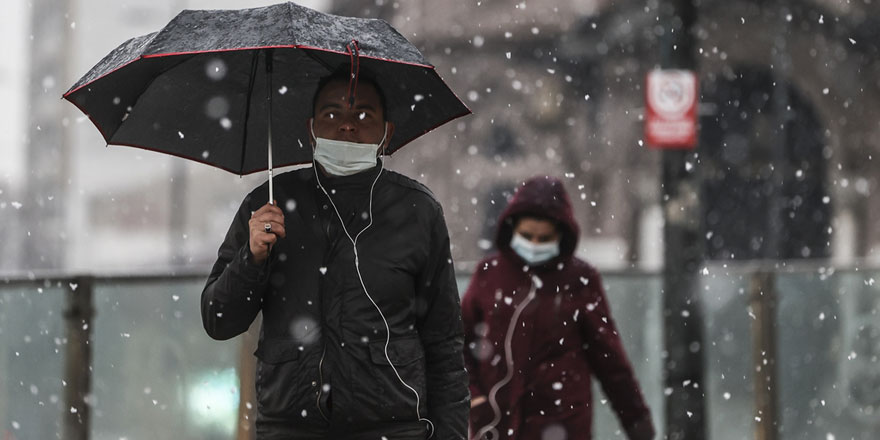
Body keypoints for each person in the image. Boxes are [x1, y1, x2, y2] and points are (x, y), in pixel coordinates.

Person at [201, 69, 469, 439]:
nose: (346, 126)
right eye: (331, 114)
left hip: (394, 428)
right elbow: (218, 320)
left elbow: (444, 342)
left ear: (386, 133)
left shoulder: (417, 211)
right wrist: (252, 257)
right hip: (290, 428)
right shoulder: (268, 206)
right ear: (310, 129)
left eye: (363, 115)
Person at [461, 176, 655, 440]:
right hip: (496, 425)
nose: (535, 245)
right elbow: (458, 344)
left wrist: (638, 424)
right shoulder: (489, 274)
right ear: (512, 229)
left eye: (544, 238)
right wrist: (475, 398)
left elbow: (609, 358)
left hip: (561, 425)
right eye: (528, 236)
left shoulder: (579, 279)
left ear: (560, 235)